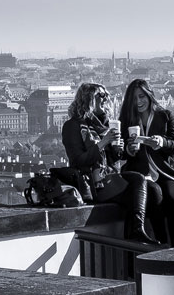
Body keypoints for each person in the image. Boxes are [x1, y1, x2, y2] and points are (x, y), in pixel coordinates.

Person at [61, 83, 161, 245]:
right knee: (137, 180)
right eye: (100, 95)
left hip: (110, 178)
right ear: (88, 99)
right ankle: (136, 232)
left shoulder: (104, 125)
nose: (105, 98)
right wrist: (103, 142)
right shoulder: (72, 126)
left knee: (154, 190)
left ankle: (148, 236)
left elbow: (114, 160)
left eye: (106, 95)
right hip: (93, 184)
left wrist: (123, 150)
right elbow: (78, 161)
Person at [118, 78, 174, 247]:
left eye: (141, 96)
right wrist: (128, 150)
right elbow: (119, 154)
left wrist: (162, 142)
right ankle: (161, 244)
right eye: (134, 99)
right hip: (141, 174)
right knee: (154, 196)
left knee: (172, 198)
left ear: (149, 95)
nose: (139, 102)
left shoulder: (164, 116)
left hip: (166, 171)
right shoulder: (126, 120)